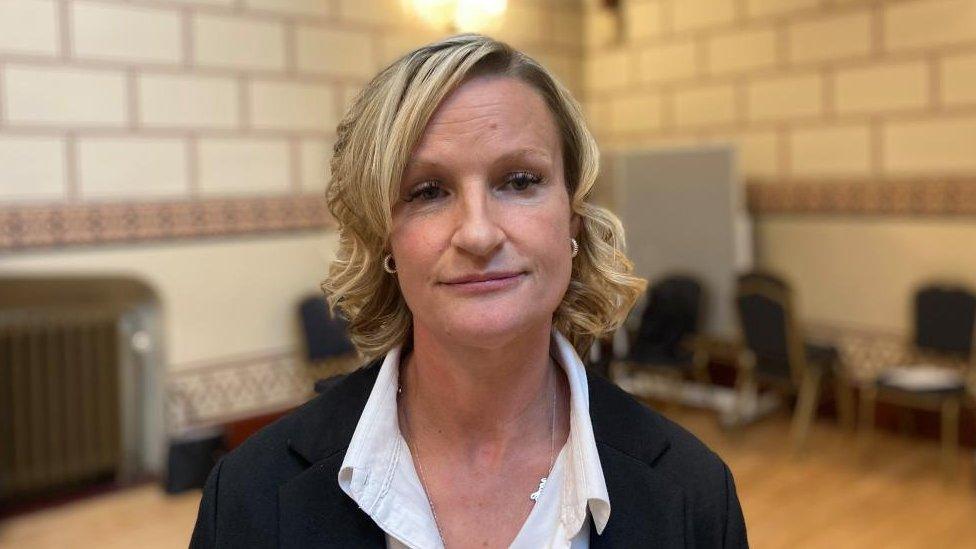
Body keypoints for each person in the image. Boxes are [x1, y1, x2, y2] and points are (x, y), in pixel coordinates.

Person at [190, 34, 747, 548]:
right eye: (427, 191)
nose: (479, 233)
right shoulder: (249, 495)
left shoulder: (695, 495)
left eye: (521, 181)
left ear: (572, 219)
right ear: (384, 237)